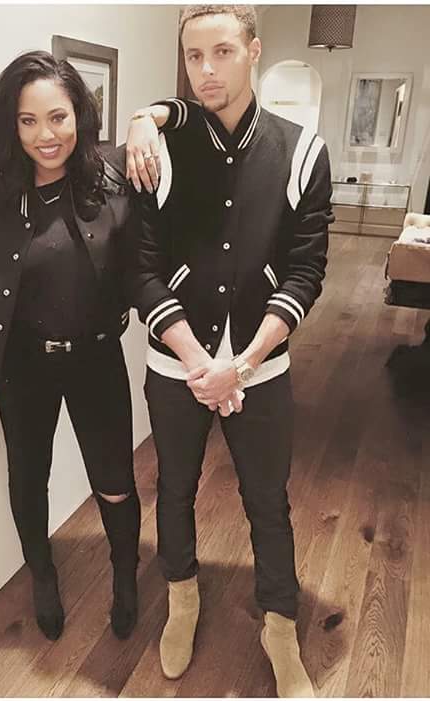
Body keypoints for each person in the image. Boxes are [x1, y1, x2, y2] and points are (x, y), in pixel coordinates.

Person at [125, 5, 333, 696]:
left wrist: (241, 364)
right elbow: (142, 268)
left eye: (222, 52)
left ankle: (280, 624)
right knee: (174, 488)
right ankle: (182, 596)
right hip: (175, 363)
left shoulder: (302, 151)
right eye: (193, 56)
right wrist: (197, 362)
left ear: (254, 50)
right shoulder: (159, 149)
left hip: (260, 366)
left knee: (267, 499)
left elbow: (306, 270)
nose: (206, 70)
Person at [0, 50, 140, 642]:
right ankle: (42, 576)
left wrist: (150, 120)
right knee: (27, 479)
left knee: (114, 479)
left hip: (96, 359)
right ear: (11, 127)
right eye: (29, 120)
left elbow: (145, 267)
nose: (46, 134)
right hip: (22, 369)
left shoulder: (113, 187)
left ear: (79, 116)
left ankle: (125, 577)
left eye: (58, 117)